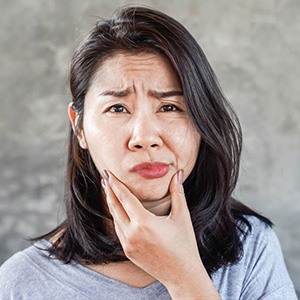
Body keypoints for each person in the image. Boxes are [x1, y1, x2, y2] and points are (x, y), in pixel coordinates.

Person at [0, 6, 297, 300]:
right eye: (117, 108)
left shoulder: (251, 247)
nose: (144, 138)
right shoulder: (21, 283)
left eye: (169, 107)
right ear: (79, 127)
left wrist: (184, 277)